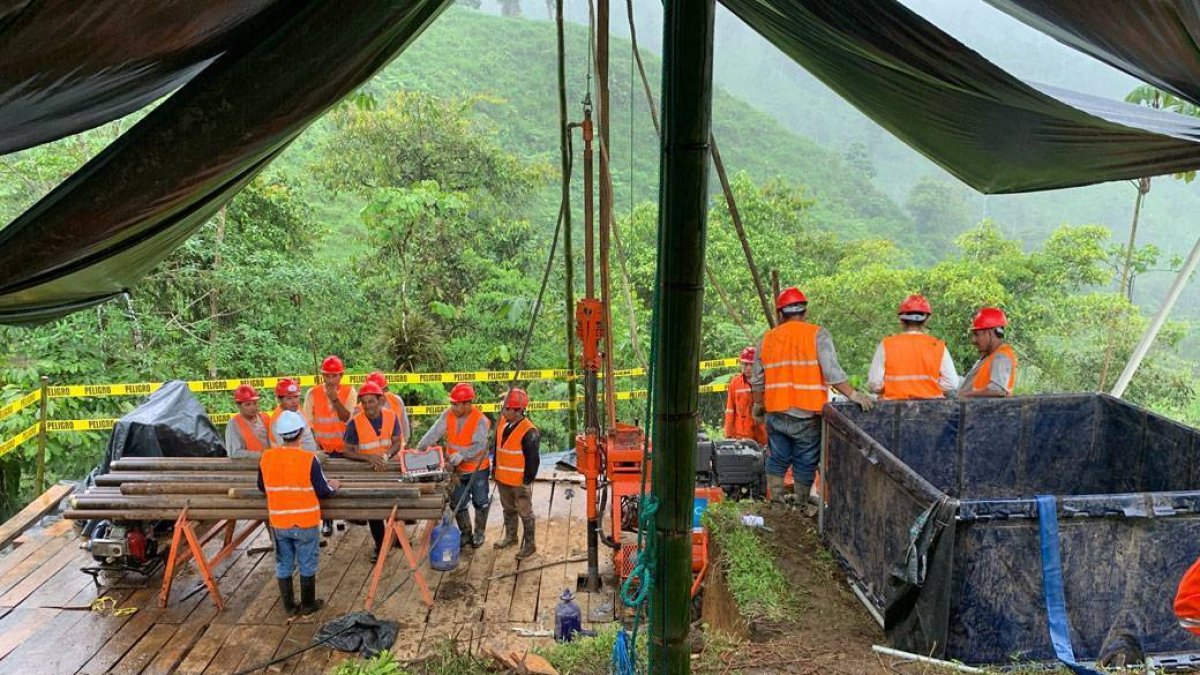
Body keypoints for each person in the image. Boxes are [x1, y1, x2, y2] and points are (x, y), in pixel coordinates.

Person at [750, 287, 873, 515]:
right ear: (805, 312)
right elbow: (833, 374)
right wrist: (854, 395)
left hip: (776, 412)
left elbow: (757, 380)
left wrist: (758, 405)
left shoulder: (767, 340)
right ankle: (801, 506)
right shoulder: (818, 335)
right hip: (807, 414)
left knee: (777, 457)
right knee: (805, 461)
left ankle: (777, 504)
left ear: (780, 314)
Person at [258, 411, 340, 616]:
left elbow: (262, 486)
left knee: (283, 563)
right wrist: (334, 486)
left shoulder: (266, 458)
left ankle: (289, 606)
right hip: (305, 522)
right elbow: (323, 491)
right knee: (307, 562)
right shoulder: (308, 459)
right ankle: (308, 605)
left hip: (279, 522)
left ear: (280, 435)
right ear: (301, 433)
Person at [416, 382, 492, 548]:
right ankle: (465, 533)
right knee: (458, 502)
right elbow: (434, 433)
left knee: (480, 501)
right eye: (452, 403)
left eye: (456, 404)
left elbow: (480, 445)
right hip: (457, 470)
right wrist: (419, 449)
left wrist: (463, 455)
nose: (453, 407)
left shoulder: (479, 420)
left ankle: (479, 533)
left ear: (467, 404)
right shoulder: (448, 415)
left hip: (477, 470)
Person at [343, 381, 403, 561]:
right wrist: (368, 458)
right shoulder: (355, 423)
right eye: (364, 402)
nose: (368, 406)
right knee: (373, 509)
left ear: (380, 400)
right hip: (368, 472)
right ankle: (380, 544)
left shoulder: (391, 417)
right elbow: (347, 450)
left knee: (394, 503)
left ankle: (396, 537)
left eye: (372, 401)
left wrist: (387, 456)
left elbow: (397, 442)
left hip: (389, 468)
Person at [867, 294, 958, 400]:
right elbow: (952, 383)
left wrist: (892, 389)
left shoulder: (887, 345)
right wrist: (929, 388)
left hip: (893, 409)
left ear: (901, 320)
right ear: (926, 320)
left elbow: (874, 383)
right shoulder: (937, 346)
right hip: (931, 408)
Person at [491, 388, 540, 559]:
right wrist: (494, 468)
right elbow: (497, 449)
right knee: (508, 509)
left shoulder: (529, 432)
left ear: (518, 410)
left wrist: (527, 480)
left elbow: (533, 460)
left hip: (519, 481)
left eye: (506, 408)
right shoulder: (502, 424)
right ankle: (511, 537)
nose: (503, 411)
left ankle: (530, 545)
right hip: (503, 478)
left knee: (525, 512)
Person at [958, 307, 1017, 398]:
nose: (973, 340)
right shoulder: (989, 356)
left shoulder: (1001, 356)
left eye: (977, 335)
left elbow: (997, 390)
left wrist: (965, 394)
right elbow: (972, 384)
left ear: (990, 332)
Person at [724, 346, 767, 446]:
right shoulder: (735, 383)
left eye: (751, 365)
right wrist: (728, 435)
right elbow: (730, 410)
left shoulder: (765, 382)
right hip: (742, 436)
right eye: (745, 364)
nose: (747, 368)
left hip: (762, 435)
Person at [364, 371, 410, 452]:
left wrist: (402, 445)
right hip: (372, 457)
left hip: (396, 454)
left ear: (385, 390)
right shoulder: (361, 407)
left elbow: (405, 428)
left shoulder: (396, 401)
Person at [269, 378, 318, 452]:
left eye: (296, 397)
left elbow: (309, 433)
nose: (294, 402)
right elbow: (287, 449)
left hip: (310, 456)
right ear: (280, 400)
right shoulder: (277, 421)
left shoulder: (297, 409)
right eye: (289, 398)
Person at [226, 384, 270, 458]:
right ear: (238, 406)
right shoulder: (234, 424)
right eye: (248, 404)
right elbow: (235, 453)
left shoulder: (265, 417)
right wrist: (261, 455)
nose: (253, 407)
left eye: (255, 403)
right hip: (249, 467)